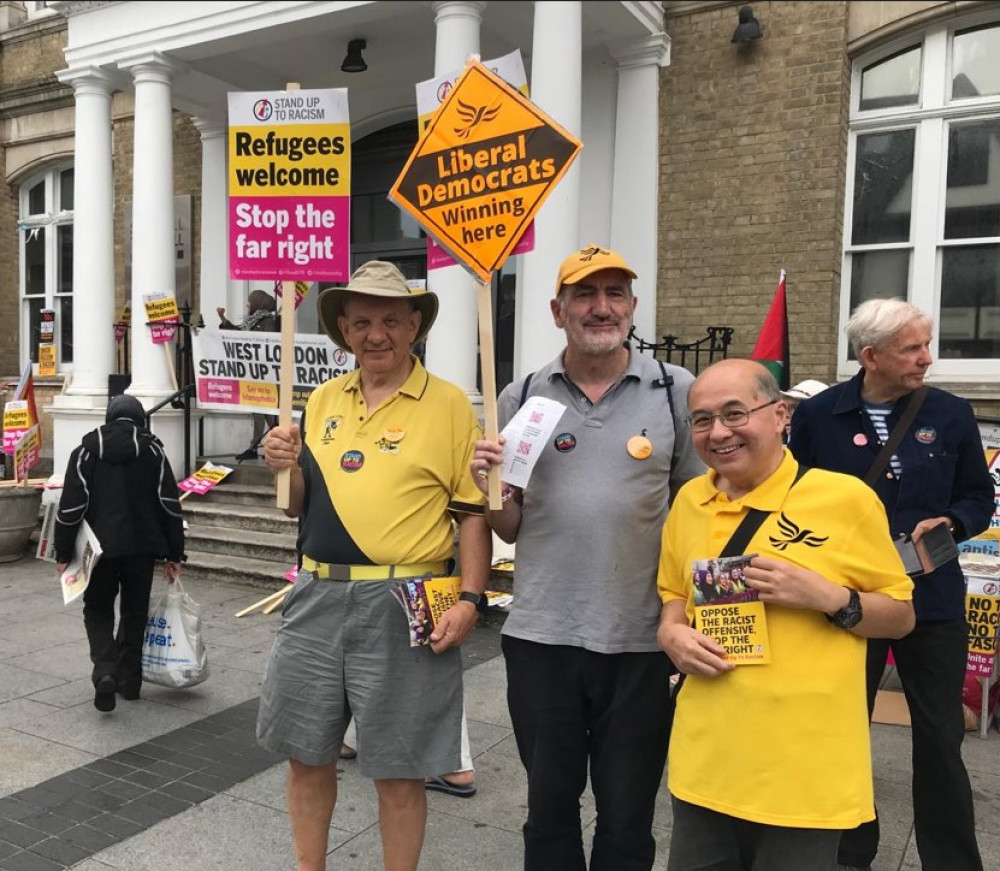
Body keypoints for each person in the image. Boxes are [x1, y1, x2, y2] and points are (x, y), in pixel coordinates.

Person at [471, 244, 704, 871]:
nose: (602, 308)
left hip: (641, 641)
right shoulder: (522, 394)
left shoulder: (674, 390)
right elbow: (509, 527)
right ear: (557, 310)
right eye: (585, 295)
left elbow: (700, 509)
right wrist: (489, 490)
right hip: (544, 635)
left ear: (631, 305)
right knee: (548, 806)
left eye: (615, 294)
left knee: (628, 811)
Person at [256, 260, 490, 871]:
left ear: (414, 325)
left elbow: (471, 513)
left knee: (400, 766)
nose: (376, 334)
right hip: (316, 595)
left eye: (390, 319)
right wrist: (285, 467)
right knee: (307, 754)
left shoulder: (449, 406)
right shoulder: (323, 400)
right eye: (361, 322)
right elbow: (300, 512)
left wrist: (471, 598)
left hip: (407, 599)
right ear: (344, 330)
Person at [657, 358, 915, 871]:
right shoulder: (689, 499)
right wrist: (670, 631)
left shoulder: (843, 499)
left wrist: (829, 597)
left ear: (779, 416)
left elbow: (901, 616)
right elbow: (672, 592)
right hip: (707, 762)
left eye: (735, 413)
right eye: (702, 420)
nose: (719, 432)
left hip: (804, 773)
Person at [788, 298, 993, 871]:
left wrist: (952, 522)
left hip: (933, 600)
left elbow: (979, 496)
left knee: (940, 739)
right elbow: (793, 500)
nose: (927, 358)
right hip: (852, 601)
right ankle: (850, 853)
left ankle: (952, 861)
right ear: (871, 355)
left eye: (927, 345)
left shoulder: (951, 414)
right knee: (843, 731)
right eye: (913, 348)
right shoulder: (818, 416)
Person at [54, 395, 185, 712]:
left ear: (109, 417)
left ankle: (105, 672)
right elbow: (169, 505)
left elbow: (71, 508)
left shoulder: (85, 452)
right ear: (140, 419)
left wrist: (62, 551)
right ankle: (130, 683)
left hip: (99, 552)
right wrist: (174, 554)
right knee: (134, 612)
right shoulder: (153, 452)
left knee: (97, 610)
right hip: (142, 550)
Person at [218, 288, 278, 461]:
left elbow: (266, 344)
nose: (247, 305)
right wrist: (223, 319)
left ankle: (253, 446)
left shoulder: (267, 321)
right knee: (264, 411)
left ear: (258, 303)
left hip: (263, 374)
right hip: (253, 373)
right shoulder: (253, 320)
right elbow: (239, 333)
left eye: (249, 302)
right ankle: (277, 439)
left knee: (260, 409)